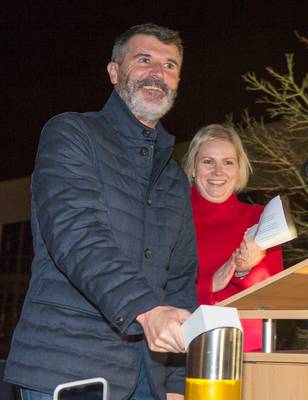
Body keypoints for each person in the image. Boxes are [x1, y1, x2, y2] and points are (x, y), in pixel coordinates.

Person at [3, 23, 197, 400]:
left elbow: (180, 279)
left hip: (150, 379)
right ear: (114, 72)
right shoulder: (71, 133)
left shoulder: (173, 177)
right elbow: (76, 233)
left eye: (170, 65)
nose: (159, 73)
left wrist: (176, 383)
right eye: (145, 60)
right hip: (69, 368)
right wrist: (145, 309)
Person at [182, 124, 283, 351]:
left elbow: (272, 295)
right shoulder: (171, 215)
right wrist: (208, 284)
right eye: (208, 162)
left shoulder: (258, 216)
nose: (218, 172)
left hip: (248, 349)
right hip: (187, 345)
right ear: (193, 168)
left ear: (238, 170)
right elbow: (156, 283)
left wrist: (245, 270)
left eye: (228, 162)